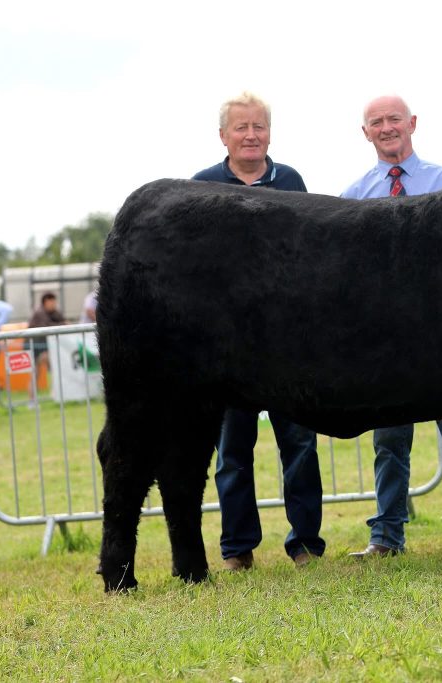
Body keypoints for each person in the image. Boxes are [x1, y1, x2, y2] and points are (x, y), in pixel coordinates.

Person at [341, 95, 442, 560]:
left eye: (394, 119)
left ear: (412, 123)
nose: (387, 127)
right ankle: (386, 537)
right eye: (377, 122)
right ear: (366, 132)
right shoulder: (352, 199)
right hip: (388, 344)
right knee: (388, 441)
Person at [193, 91, 326, 570]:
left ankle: (305, 543)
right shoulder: (201, 187)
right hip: (230, 347)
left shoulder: (291, 181)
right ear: (223, 135)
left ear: (269, 132)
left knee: (300, 444)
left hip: (288, 344)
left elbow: (310, 254)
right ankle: (237, 548)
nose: (251, 135)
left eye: (259, 127)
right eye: (241, 127)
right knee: (232, 450)